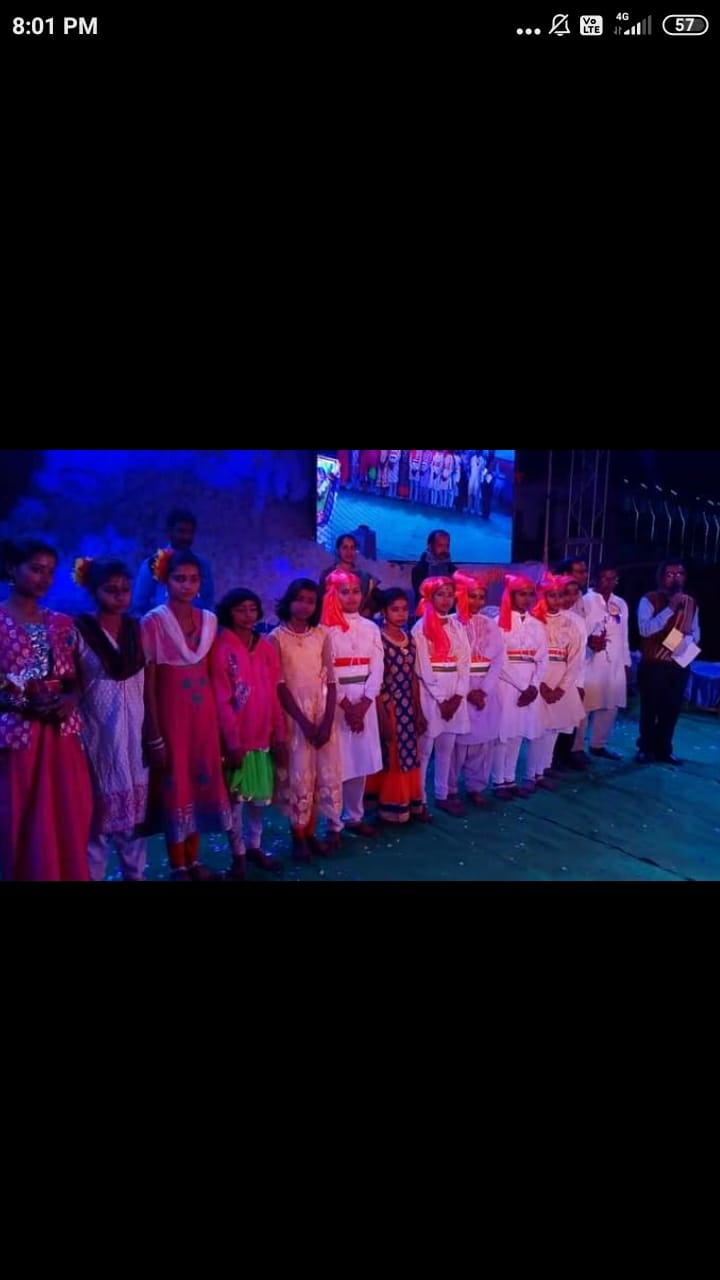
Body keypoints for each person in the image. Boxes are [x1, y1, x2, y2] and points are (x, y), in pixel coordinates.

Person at [0, 536, 93, 881]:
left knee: (69, 811)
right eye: (36, 569)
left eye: (50, 571)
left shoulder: (62, 623)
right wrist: (21, 703)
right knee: (20, 818)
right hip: (18, 739)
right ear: (12, 568)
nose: (44, 578)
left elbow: (76, 680)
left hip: (61, 736)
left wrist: (70, 700)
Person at [141, 549, 233, 880]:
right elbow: (148, 684)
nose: (187, 585)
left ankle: (194, 860)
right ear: (165, 581)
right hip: (172, 718)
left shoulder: (209, 620)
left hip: (203, 717)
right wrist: (154, 733)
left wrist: (221, 726)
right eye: (179, 579)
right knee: (175, 783)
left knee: (200, 781)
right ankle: (178, 864)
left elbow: (212, 675)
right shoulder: (153, 622)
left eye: (193, 579)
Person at [75, 556, 149, 882]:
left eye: (125, 589)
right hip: (97, 735)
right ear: (94, 591)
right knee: (98, 820)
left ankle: (136, 876)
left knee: (134, 818)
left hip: (134, 734)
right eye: (110, 589)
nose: (119, 596)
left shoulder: (135, 629)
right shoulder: (79, 632)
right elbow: (71, 682)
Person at [211, 588, 287, 878]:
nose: (247, 615)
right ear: (228, 612)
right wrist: (231, 741)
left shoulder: (265, 647)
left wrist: (279, 733)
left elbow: (273, 692)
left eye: (252, 609)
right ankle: (238, 854)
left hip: (263, 736)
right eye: (240, 609)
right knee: (235, 801)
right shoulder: (221, 647)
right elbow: (222, 699)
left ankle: (254, 846)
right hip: (237, 740)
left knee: (258, 799)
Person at [268, 578, 343, 861]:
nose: (305, 605)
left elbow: (332, 680)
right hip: (294, 718)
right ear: (289, 601)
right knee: (299, 776)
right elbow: (279, 685)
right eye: (299, 599)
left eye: (311, 601)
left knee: (320, 775)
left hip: (322, 714)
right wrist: (303, 722)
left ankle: (311, 832)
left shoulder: (322, 634)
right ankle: (297, 836)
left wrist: (327, 720)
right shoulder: (276, 637)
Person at [322, 570, 384, 838]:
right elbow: (326, 670)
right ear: (333, 594)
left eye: (356, 591)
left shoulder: (371, 627)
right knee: (337, 763)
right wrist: (348, 707)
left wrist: (366, 702)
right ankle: (333, 821)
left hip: (364, 700)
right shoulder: (325, 628)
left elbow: (378, 667)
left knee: (359, 759)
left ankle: (355, 816)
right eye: (344, 592)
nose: (351, 597)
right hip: (337, 702)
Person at [365, 588, 430, 825]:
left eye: (404, 609)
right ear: (384, 612)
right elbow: (374, 680)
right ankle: (390, 806)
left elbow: (413, 677)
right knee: (391, 755)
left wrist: (419, 711)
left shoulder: (409, 638)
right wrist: (382, 717)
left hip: (408, 707)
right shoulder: (379, 640)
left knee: (409, 754)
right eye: (395, 609)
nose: (401, 614)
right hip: (387, 705)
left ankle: (412, 802)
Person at [412, 576, 471, 816]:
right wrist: (441, 699)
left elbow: (465, 662)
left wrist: (457, 696)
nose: (446, 600)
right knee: (425, 750)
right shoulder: (420, 628)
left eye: (449, 594)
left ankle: (442, 794)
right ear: (430, 596)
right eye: (440, 594)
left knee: (447, 747)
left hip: (454, 693)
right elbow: (422, 668)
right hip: (430, 694)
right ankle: (420, 799)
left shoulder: (457, 626)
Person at [448, 571, 504, 806]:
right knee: (456, 744)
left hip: (484, 688)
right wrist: (467, 690)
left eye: (482, 597)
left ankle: (476, 786)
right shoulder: (449, 623)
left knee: (482, 741)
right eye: (472, 596)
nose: (478, 602)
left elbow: (498, 659)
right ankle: (449, 788)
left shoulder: (490, 624)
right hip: (458, 688)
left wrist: (484, 691)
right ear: (461, 595)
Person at [636, 561, 700, 765]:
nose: (676, 578)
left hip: (678, 665)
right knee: (650, 708)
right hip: (654, 664)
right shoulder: (649, 599)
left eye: (680, 574)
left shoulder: (690, 602)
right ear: (661, 577)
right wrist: (670, 609)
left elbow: (696, 631)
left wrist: (687, 639)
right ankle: (645, 748)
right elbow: (645, 630)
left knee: (671, 709)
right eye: (670, 574)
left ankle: (664, 748)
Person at [491, 575, 549, 800]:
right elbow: (499, 660)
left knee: (518, 732)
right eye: (521, 594)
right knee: (503, 733)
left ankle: (510, 778)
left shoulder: (537, 625)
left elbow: (542, 658)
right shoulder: (498, 623)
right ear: (511, 595)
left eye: (530, 594)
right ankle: (498, 781)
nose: (526, 599)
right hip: (506, 683)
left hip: (529, 685)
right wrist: (523, 685)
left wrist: (533, 685)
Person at [527, 573, 584, 788]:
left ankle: (543, 770)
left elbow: (575, 659)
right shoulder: (533, 621)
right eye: (551, 595)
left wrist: (562, 688)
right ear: (541, 596)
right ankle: (530, 774)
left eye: (560, 595)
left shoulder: (570, 624)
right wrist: (540, 684)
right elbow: (528, 655)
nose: (557, 600)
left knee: (553, 727)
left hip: (561, 678)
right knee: (538, 727)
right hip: (537, 678)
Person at [577, 564, 631, 761]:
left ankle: (598, 745)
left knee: (610, 705)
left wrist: (626, 663)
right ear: (595, 580)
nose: (609, 582)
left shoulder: (621, 603)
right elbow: (578, 631)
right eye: (605, 578)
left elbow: (624, 636)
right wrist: (589, 641)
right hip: (590, 660)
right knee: (584, 705)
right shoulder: (585, 601)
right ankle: (577, 748)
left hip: (614, 662)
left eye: (613, 578)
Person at [131, 508, 215, 616]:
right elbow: (140, 604)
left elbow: (208, 601)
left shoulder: (202, 564)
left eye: (190, 532)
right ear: (169, 532)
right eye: (181, 531)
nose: (186, 537)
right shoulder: (154, 563)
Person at [319, 533, 380, 619]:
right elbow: (321, 601)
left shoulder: (364, 576)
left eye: (352, 548)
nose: (349, 552)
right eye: (345, 547)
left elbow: (373, 601)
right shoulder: (328, 574)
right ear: (338, 550)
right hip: (333, 620)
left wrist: (369, 609)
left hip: (357, 621)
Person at [411, 530, 458, 604]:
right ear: (430, 546)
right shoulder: (419, 570)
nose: (444, 550)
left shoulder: (453, 570)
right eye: (440, 546)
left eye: (447, 546)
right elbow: (421, 596)